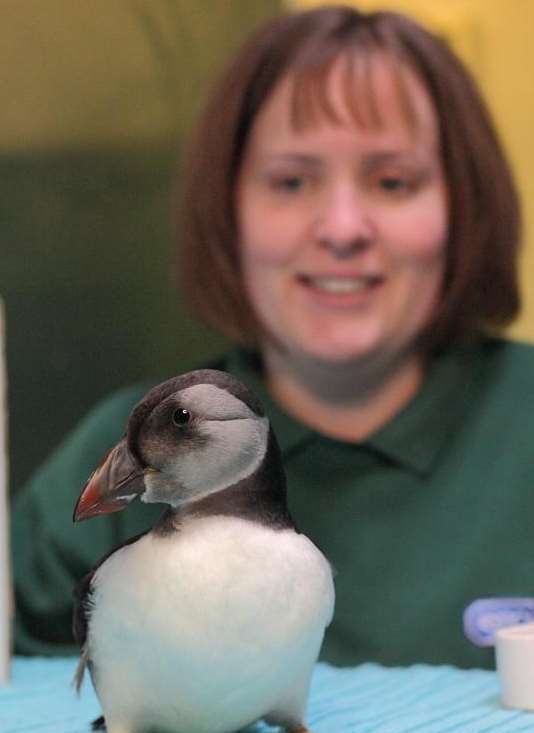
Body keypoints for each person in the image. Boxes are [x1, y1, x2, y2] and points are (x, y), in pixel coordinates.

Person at [12, 4, 533, 670]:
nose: (342, 227)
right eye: (290, 181)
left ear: (465, 210)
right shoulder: (131, 450)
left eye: (393, 181)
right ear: (228, 214)